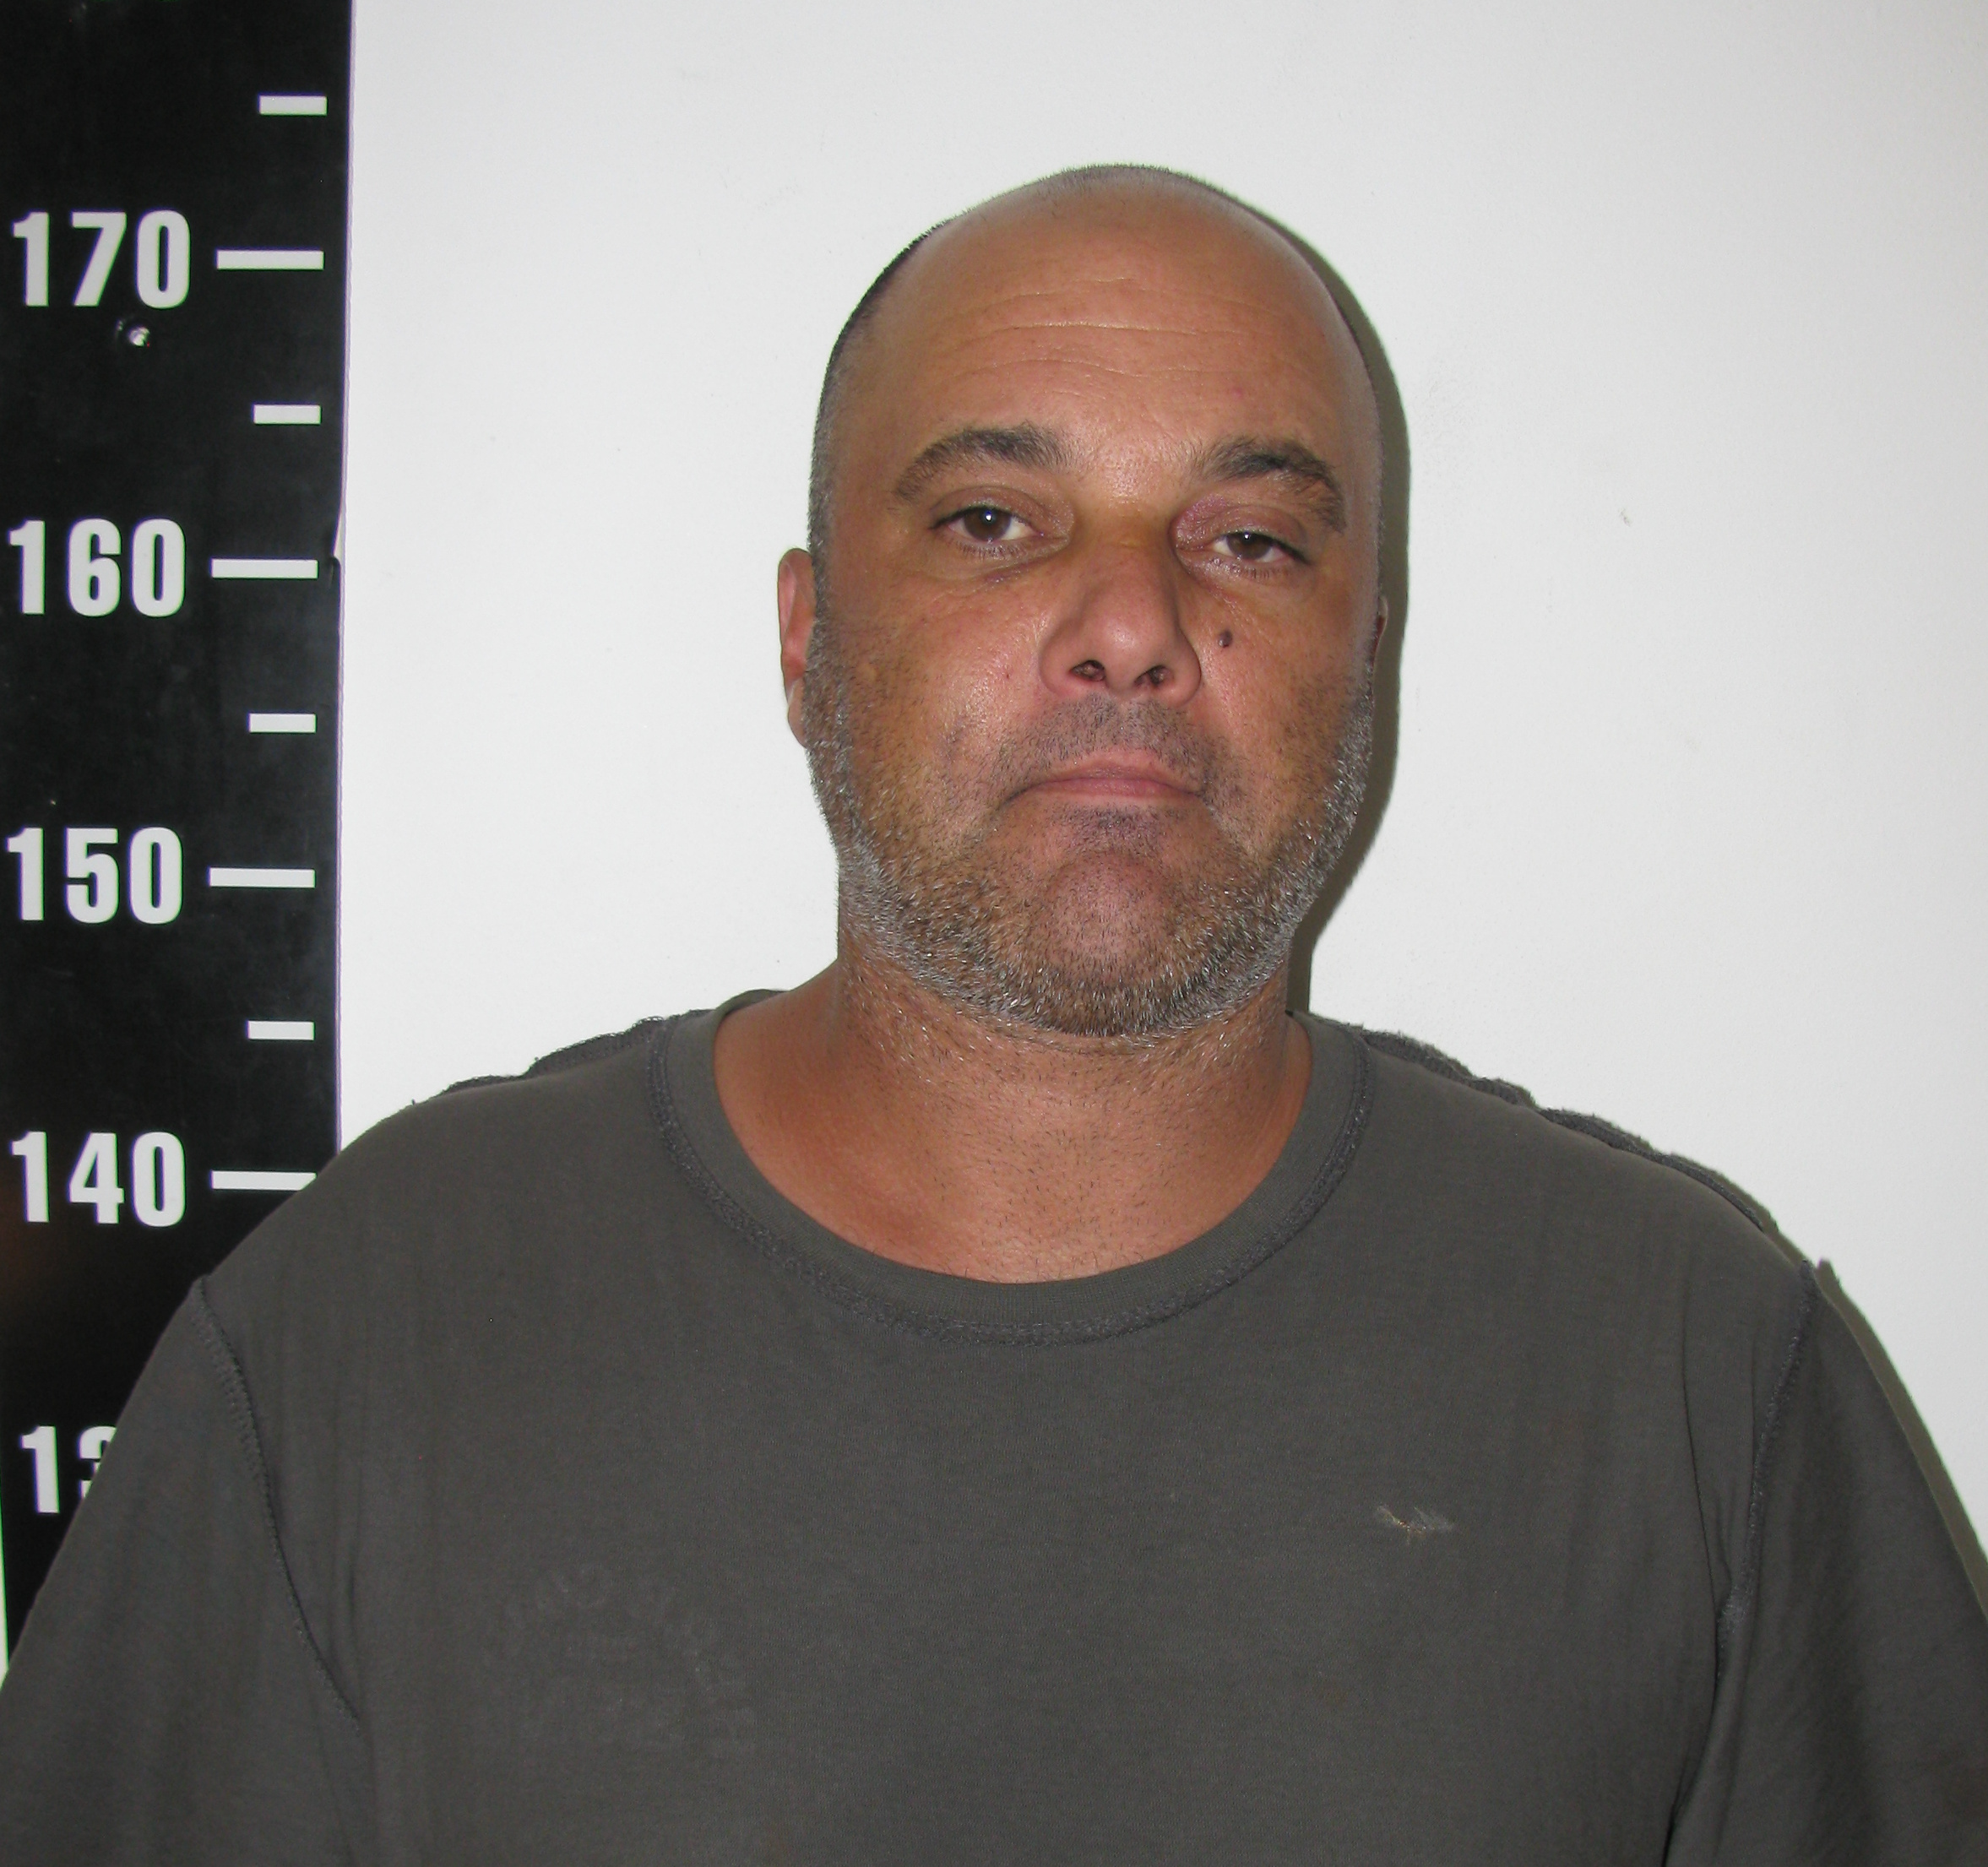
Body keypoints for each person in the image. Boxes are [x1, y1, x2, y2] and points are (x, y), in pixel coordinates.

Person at [2, 165, 1984, 1863]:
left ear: (1364, 655)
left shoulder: (1693, 1372)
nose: (1131, 624)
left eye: (1249, 538)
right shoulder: (365, 1332)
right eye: (991, 520)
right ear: (807, 639)